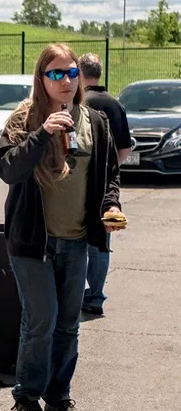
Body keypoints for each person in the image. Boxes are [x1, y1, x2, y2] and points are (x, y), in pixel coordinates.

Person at [0, 43, 122, 411]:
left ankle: (58, 396)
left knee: (68, 322)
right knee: (42, 320)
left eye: (70, 73)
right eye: (55, 74)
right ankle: (28, 396)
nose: (65, 81)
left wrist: (111, 205)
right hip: (34, 243)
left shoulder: (95, 121)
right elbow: (7, 170)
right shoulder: (23, 118)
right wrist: (42, 134)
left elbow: (110, 174)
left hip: (76, 239)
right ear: (42, 78)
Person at [78, 53, 132, 316]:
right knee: (101, 243)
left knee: (75, 241)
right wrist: (110, 169)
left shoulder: (78, 103)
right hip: (104, 189)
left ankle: (74, 294)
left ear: (80, 71)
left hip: (76, 184)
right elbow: (125, 147)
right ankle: (95, 297)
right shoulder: (114, 104)